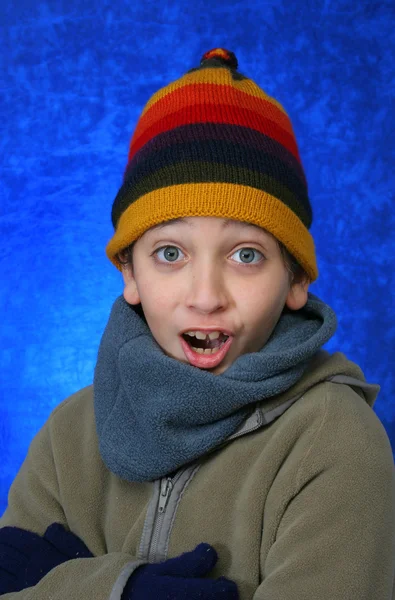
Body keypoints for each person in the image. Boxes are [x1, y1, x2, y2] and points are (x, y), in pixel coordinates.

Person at [0, 47, 394, 600]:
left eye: (247, 255)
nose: (206, 297)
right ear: (128, 271)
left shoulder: (334, 445)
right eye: (169, 253)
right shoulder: (68, 439)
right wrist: (117, 590)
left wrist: (60, 585)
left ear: (296, 277)